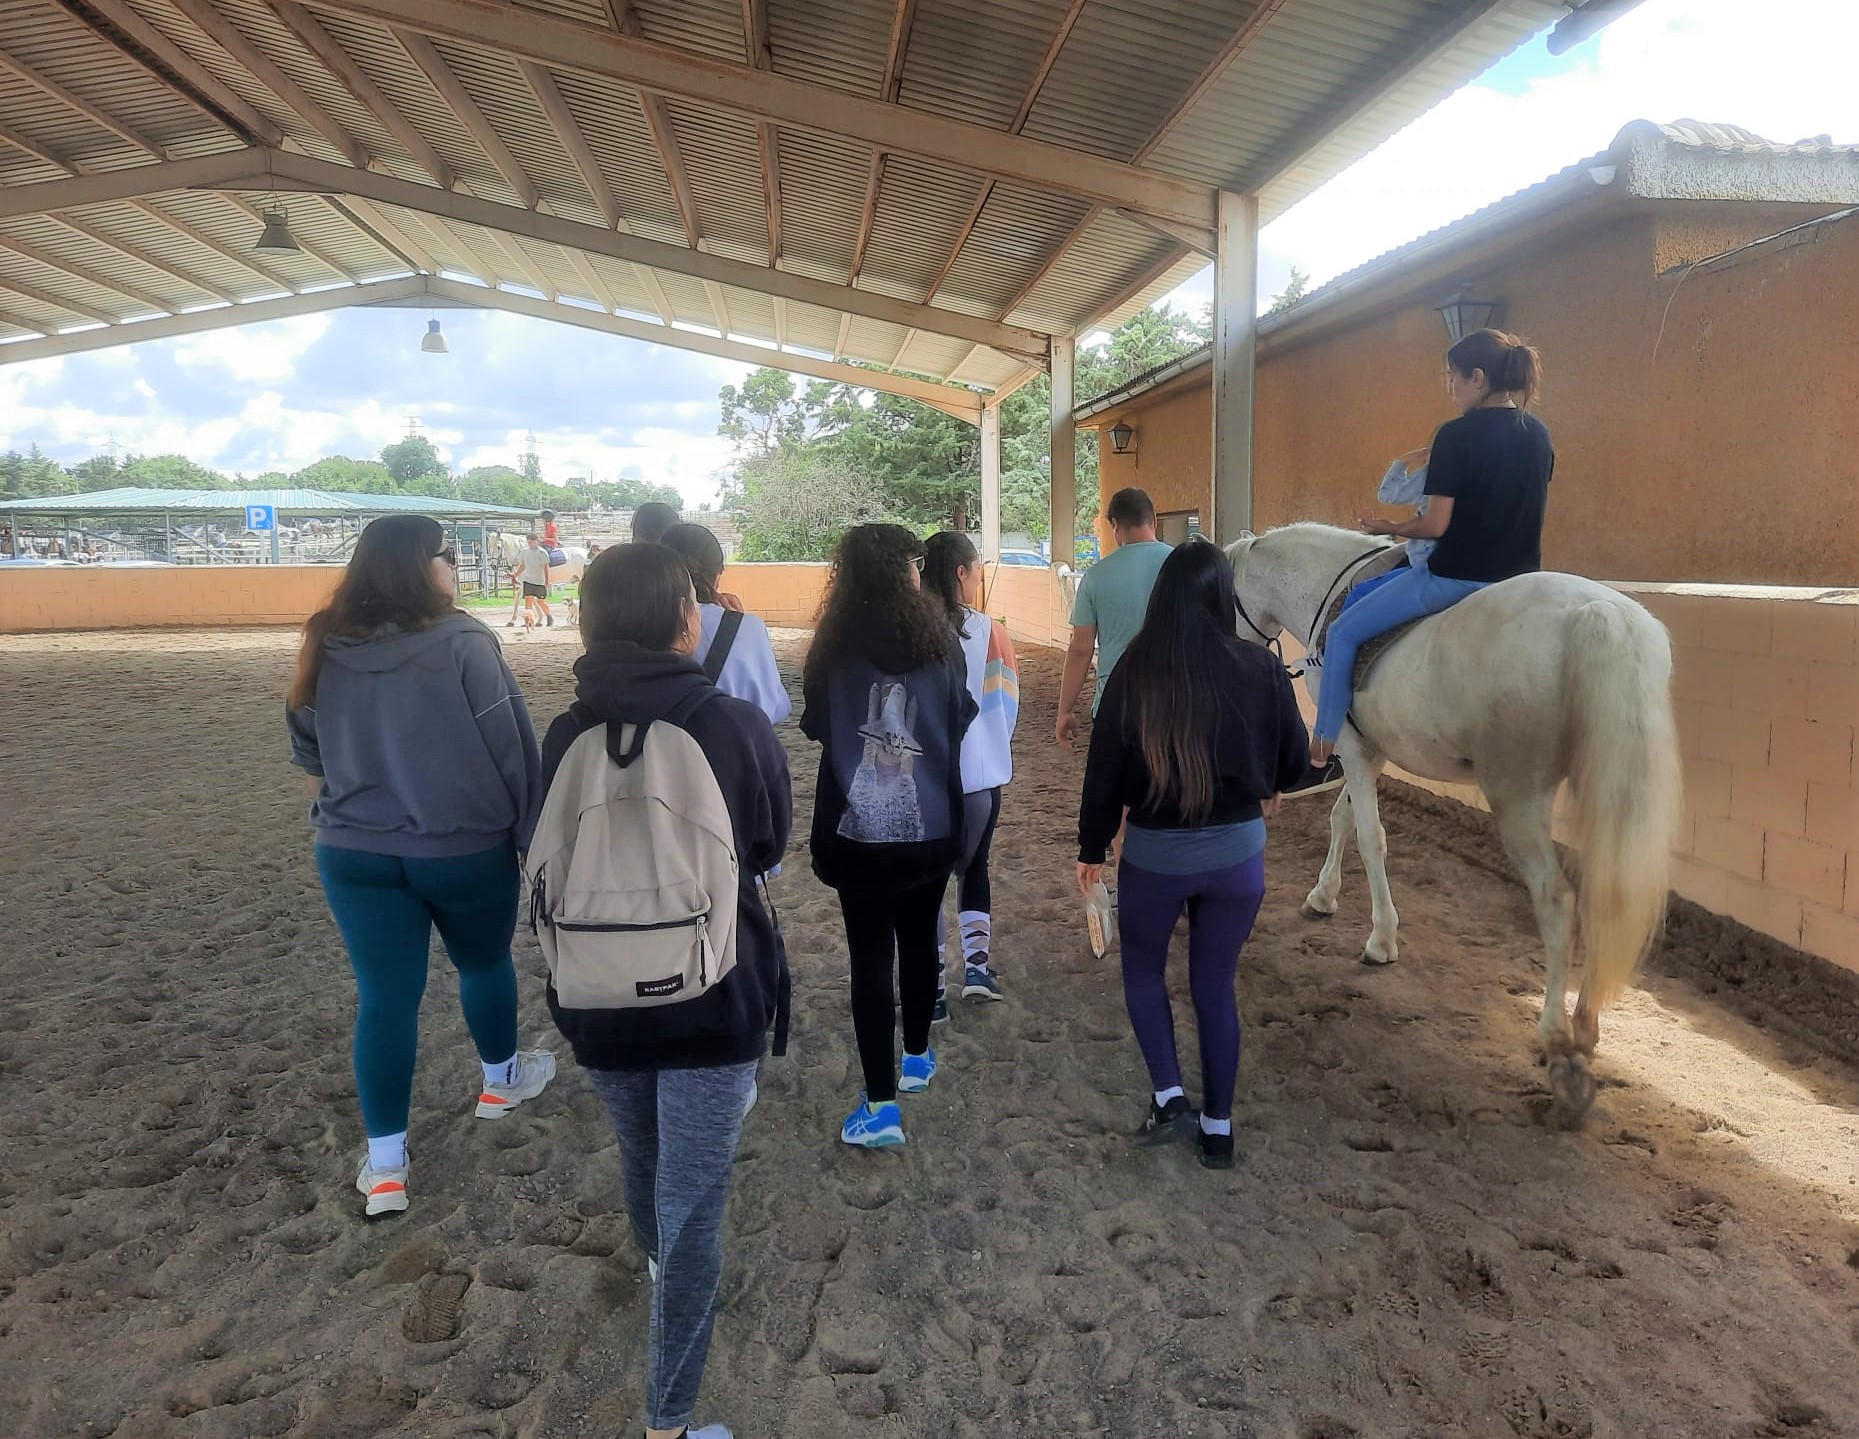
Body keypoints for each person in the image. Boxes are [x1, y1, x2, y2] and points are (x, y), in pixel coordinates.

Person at [539, 544, 791, 1439]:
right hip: (712, 995)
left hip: (596, 996)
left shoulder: (565, 733)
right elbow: (766, 846)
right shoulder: (731, 725)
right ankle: (670, 1419)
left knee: (643, 1160)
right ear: (684, 620)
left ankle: (655, 1272)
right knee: (696, 1204)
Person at [285, 515, 552, 1219]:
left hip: (353, 851)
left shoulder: (325, 638)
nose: (454, 568)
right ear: (420, 565)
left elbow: (307, 746)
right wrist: (530, 835)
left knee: (384, 998)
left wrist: (351, 810)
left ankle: (385, 1165)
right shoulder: (464, 639)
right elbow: (511, 746)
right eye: (448, 555)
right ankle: (500, 1081)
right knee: (484, 963)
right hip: (463, 847)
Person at [1077, 539, 1311, 1169]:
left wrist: (1091, 847)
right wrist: (1265, 782)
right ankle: (1218, 1129)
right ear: (1221, 597)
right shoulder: (1260, 667)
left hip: (1156, 859)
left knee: (1144, 973)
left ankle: (1170, 1094)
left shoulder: (1132, 670)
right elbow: (1292, 763)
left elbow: (1104, 774)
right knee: (1215, 984)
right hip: (1239, 862)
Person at [801, 524, 975, 1148]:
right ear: (908, 570)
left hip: (857, 834)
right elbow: (963, 715)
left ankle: (879, 1106)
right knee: (921, 935)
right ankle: (919, 1058)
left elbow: (816, 724)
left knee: (869, 958)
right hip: (933, 825)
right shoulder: (941, 639)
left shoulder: (834, 643)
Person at [1310, 329, 1552, 765]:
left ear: (1477, 378)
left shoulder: (1455, 436)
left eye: (1452, 378)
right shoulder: (1538, 433)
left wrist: (1392, 526)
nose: (1450, 388)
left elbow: (1436, 524)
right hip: (1519, 580)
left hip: (1453, 579)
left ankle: (1323, 744)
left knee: (1344, 631)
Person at [922, 531, 1018, 1016]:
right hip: (978, 772)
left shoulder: (909, 628)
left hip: (924, 778)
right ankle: (977, 967)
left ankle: (933, 986)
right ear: (961, 572)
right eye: (977, 569)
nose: (979, 577)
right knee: (974, 866)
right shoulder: (990, 630)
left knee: (929, 881)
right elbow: (1007, 703)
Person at [1057, 487, 1171, 748]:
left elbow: (1081, 648)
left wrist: (1065, 710)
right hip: (1174, 699)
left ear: (1115, 525)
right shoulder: (1182, 564)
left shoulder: (1097, 576)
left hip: (1116, 702)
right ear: (1153, 520)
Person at [660, 526, 779, 719]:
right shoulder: (749, 627)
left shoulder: (640, 623)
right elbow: (771, 707)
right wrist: (735, 626)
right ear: (716, 575)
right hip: (728, 742)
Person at [514, 533, 554, 629]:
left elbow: (545, 567)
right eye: (530, 541)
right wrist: (515, 574)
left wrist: (547, 581)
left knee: (541, 601)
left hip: (539, 581)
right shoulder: (525, 552)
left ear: (537, 541)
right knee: (528, 601)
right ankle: (529, 620)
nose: (532, 543)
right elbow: (523, 565)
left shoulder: (542, 552)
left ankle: (549, 617)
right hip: (528, 580)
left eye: (533, 541)